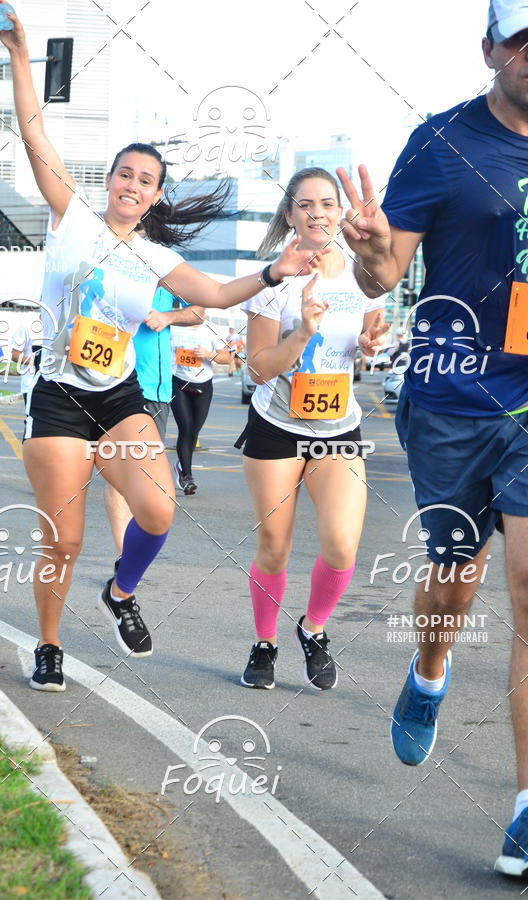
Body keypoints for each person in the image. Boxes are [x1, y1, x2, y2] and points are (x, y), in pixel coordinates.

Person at [0, 1, 321, 692]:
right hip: (57, 397)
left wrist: (273, 271)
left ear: (153, 197)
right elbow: (33, 132)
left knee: (159, 510)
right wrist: (22, 56)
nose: (131, 186)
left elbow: (214, 295)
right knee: (65, 539)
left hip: (117, 396)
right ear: (108, 181)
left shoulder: (152, 257)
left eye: (145, 182)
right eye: (124, 175)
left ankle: (120, 592)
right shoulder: (72, 220)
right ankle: (49, 645)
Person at [337, 0, 528, 875]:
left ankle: (525, 807)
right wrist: (370, 250)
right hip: (453, 398)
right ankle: (429, 671)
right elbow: (381, 272)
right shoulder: (442, 142)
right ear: (490, 48)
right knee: (456, 578)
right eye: (522, 39)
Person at [237, 167, 387, 691]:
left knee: (342, 545)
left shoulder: (363, 275)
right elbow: (256, 369)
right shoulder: (273, 281)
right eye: (306, 205)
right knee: (274, 546)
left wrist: (371, 345)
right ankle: (265, 642)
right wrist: (302, 331)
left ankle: (313, 628)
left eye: (327, 203)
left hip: (337, 426)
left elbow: (369, 333)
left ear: (341, 211)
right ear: (290, 215)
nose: (317, 213)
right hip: (276, 425)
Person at [104, 286, 204, 552]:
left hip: (159, 390)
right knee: (121, 471)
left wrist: (168, 317)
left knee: (148, 478)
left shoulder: (167, 275)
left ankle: (135, 548)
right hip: (122, 385)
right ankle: (123, 555)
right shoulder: (118, 273)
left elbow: (199, 311)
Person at [170, 319, 232, 494]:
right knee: (186, 427)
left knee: (194, 431)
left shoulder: (212, 329)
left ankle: (180, 465)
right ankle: (187, 477)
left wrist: (208, 354)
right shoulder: (174, 327)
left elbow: (227, 358)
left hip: (203, 386)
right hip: (178, 383)